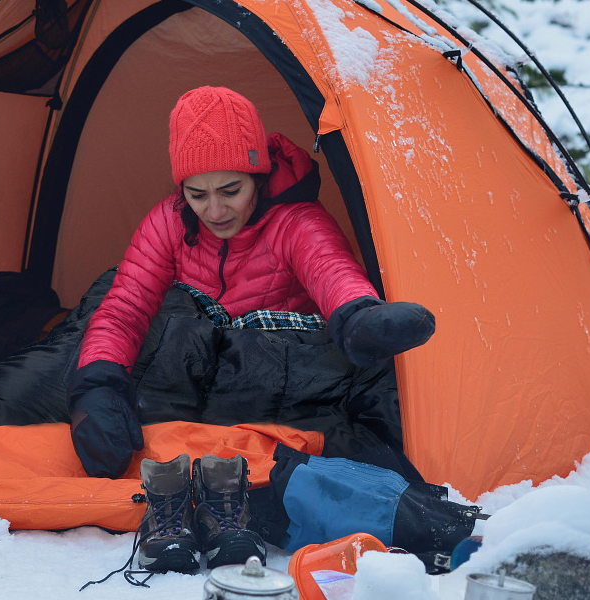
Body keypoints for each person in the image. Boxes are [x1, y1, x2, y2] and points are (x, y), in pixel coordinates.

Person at [66, 87, 437, 573]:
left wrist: (356, 317)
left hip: (275, 378)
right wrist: (98, 382)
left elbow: (330, 270)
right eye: (197, 194)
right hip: (199, 376)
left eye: (231, 191)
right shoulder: (168, 223)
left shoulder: (294, 221)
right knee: (103, 304)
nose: (215, 211)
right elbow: (125, 307)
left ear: (257, 176)